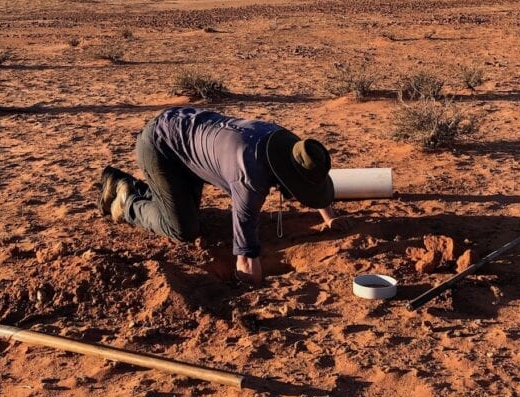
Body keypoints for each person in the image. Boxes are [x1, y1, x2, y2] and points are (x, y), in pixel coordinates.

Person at [98, 106, 346, 284]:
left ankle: (148, 192)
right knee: (183, 229)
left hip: (187, 134)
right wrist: (251, 285)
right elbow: (246, 260)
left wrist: (329, 217)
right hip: (160, 146)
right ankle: (127, 199)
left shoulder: (286, 145)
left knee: (183, 208)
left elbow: (311, 177)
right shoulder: (249, 179)